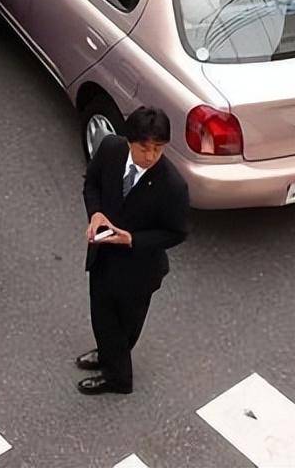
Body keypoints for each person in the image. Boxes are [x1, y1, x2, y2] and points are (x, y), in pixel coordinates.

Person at [77, 106, 189, 395]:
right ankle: (107, 354)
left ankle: (118, 378)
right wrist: (96, 213)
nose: (150, 156)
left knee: (124, 326)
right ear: (129, 141)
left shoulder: (172, 185)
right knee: (101, 315)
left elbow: (177, 232)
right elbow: (91, 183)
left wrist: (133, 239)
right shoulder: (110, 149)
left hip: (139, 270)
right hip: (103, 256)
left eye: (158, 149)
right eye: (144, 148)